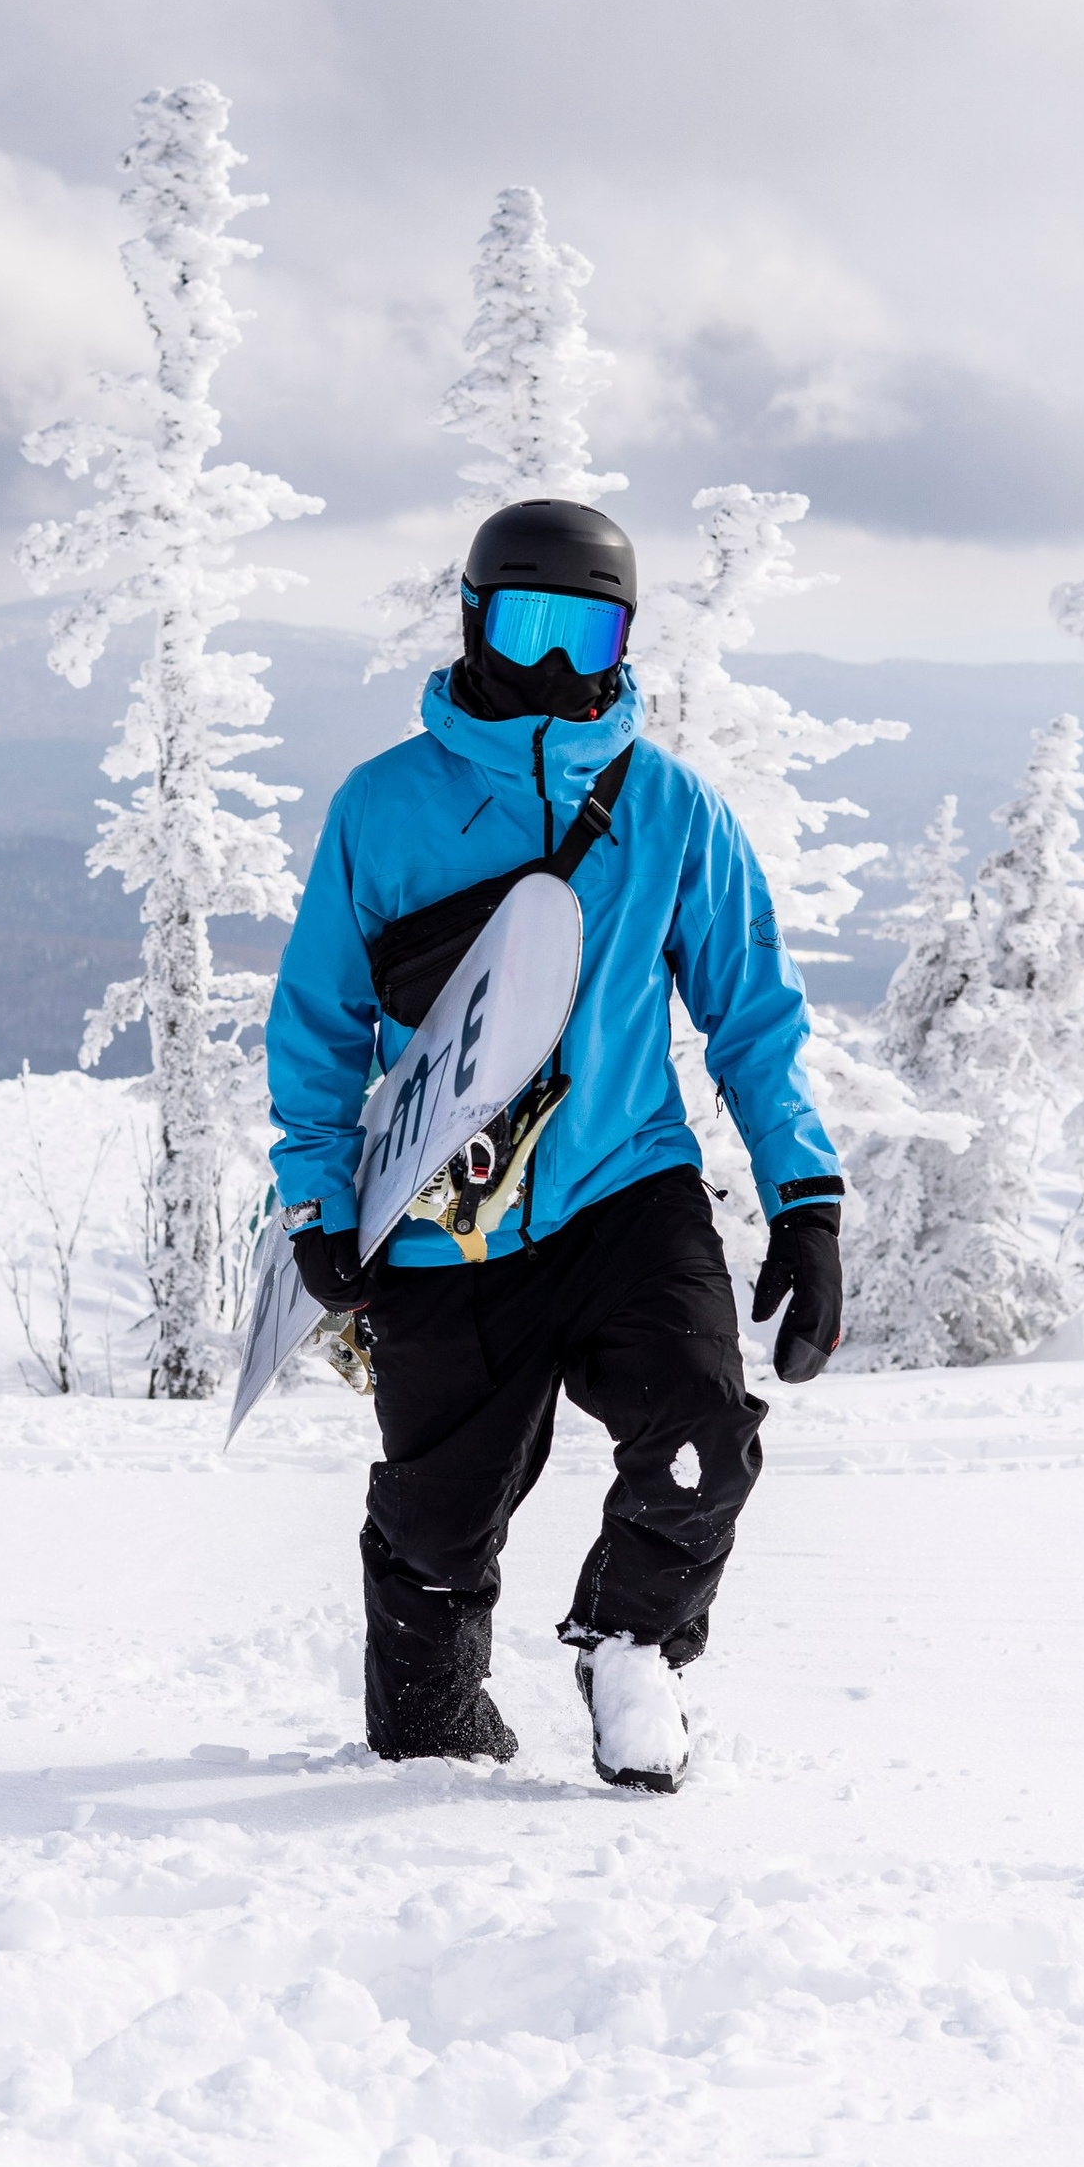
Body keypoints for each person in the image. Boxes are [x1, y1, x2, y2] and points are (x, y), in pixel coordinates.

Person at [264, 495, 845, 1793]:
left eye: (583, 633)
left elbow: (753, 1012)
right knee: (435, 1529)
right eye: (526, 625)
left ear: (624, 642)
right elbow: (318, 1028)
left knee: (702, 1433)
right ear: (474, 621)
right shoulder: (385, 808)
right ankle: (433, 1734)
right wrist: (317, 1201)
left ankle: (633, 1646)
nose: (549, 666)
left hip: (623, 1190)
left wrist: (807, 1203)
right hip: (443, 1217)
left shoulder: (673, 811)